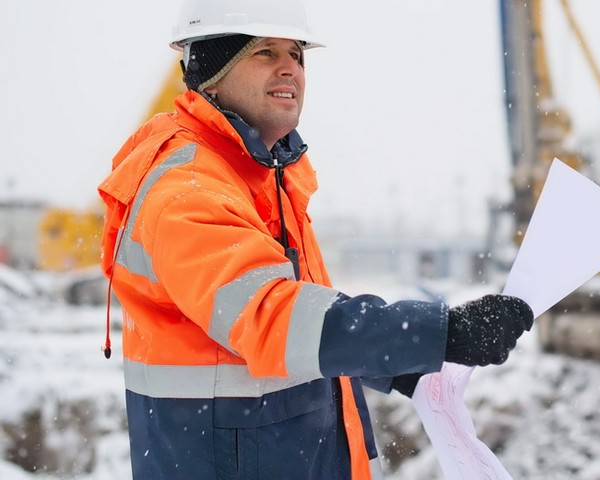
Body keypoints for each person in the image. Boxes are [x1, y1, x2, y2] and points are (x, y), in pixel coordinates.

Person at [97, 0, 534, 478]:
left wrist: (399, 363)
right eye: (264, 52)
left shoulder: (261, 174)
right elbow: (273, 319)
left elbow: (305, 321)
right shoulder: (188, 189)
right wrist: (440, 332)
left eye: (297, 53)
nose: (291, 68)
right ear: (211, 71)